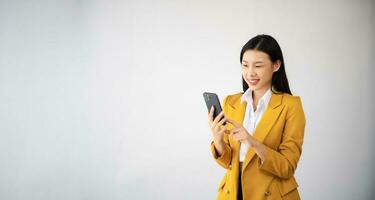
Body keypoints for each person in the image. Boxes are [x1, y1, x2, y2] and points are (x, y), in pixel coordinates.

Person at [208, 34, 306, 200]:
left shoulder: (291, 105)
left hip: (271, 194)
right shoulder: (231, 102)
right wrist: (218, 141)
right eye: (245, 65)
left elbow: (287, 167)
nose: (250, 73)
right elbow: (228, 163)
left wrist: (252, 142)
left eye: (258, 66)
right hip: (234, 192)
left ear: (276, 65)